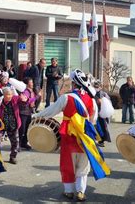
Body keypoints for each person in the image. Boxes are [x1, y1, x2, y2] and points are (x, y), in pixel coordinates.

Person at [33, 69, 110, 202]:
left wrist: (36, 115)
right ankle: (80, 192)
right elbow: (93, 120)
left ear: (74, 84)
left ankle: (68, 191)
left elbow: (51, 111)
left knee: (68, 164)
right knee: (83, 165)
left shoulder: (66, 97)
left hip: (68, 135)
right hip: (85, 136)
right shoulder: (91, 101)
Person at [0, 87, 21, 164]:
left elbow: (24, 101)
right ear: (3, 95)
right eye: (8, 94)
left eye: (11, 94)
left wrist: (28, 100)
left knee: (15, 143)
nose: (10, 96)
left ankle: (13, 157)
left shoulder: (14, 99)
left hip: (13, 125)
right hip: (1, 125)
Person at [18, 77, 36, 150]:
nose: (32, 84)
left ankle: (24, 143)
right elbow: (24, 101)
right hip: (23, 112)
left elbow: (32, 101)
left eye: (32, 82)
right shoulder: (24, 91)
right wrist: (35, 98)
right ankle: (18, 144)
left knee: (27, 129)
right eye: (31, 82)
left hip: (29, 112)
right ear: (27, 84)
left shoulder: (31, 91)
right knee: (22, 129)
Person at [93, 80, 111, 147]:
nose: (96, 87)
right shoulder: (92, 93)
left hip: (101, 113)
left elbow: (108, 102)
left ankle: (102, 141)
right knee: (96, 127)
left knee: (102, 127)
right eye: (95, 86)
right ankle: (98, 140)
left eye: (97, 86)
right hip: (95, 112)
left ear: (100, 87)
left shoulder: (103, 94)